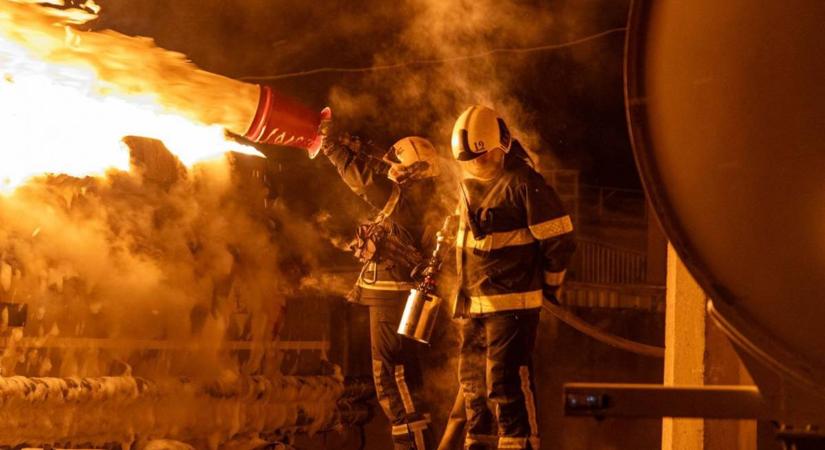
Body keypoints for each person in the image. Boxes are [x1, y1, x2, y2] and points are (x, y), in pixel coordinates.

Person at [444, 105, 576, 450]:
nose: (477, 165)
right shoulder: (467, 186)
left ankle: (520, 444)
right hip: (473, 304)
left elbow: (559, 241)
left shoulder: (525, 184)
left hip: (513, 305)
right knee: (472, 383)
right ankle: (479, 443)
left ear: (499, 145)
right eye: (470, 160)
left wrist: (551, 285)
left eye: (482, 157)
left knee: (504, 381)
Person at [323, 133, 451, 450]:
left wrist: (333, 149)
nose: (390, 168)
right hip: (401, 299)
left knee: (393, 380)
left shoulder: (403, 200)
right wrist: (362, 149)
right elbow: (384, 174)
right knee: (405, 382)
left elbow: (364, 182)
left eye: (396, 164)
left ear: (410, 170)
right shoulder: (426, 197)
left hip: (391, 300)